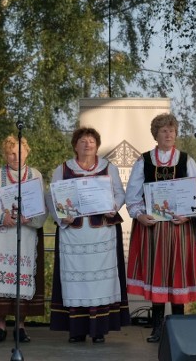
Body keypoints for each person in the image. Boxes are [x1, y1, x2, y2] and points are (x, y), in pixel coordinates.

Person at [125, 113, 196, 343]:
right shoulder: (144, 161)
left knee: (178, 274)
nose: (169, 134)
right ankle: (158, 327)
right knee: (158, 273)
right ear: (156, 134)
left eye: (172, 130)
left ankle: (179, 328)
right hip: (153, 229)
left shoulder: (186, 160)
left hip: (179, 228)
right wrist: (140, 215)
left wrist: (188, 215)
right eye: (164, 130)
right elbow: (132, 196)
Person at [49, 127, 130, 344]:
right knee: (75, 284)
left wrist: (113, 206)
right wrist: (61, 216)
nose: (87, 144)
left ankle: (98, 330)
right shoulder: (63, 169)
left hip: (101, 234)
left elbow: (120, 194)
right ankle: (76, 330)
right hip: (73, 236)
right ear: (75, 145)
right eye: (83, 141)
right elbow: (53, 197)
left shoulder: (108, 168)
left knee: (100, 284)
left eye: (91, 141)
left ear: (97, 145)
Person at [0, 135, 46, 343]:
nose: (16, 157)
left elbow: (42, 205)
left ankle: (20, 327)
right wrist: (0, 215)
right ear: (5, 154)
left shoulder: (35, 175)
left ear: (27, 152)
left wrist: (31, 217)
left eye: (20, 152)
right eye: (11, 153)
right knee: (0, 277)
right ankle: (1, 326)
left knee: (22, 278)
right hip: (0, 236)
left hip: (26, 235)